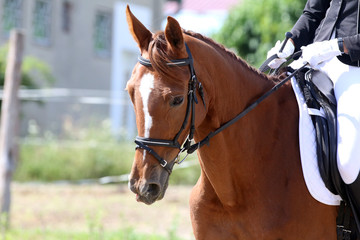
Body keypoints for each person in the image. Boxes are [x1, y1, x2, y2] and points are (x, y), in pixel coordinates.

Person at [267, 0, 360, 225]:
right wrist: (290, 43)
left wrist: (340, 45)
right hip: (314, 57)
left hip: (353, 65)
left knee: (348, 163)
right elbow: (313, 12)